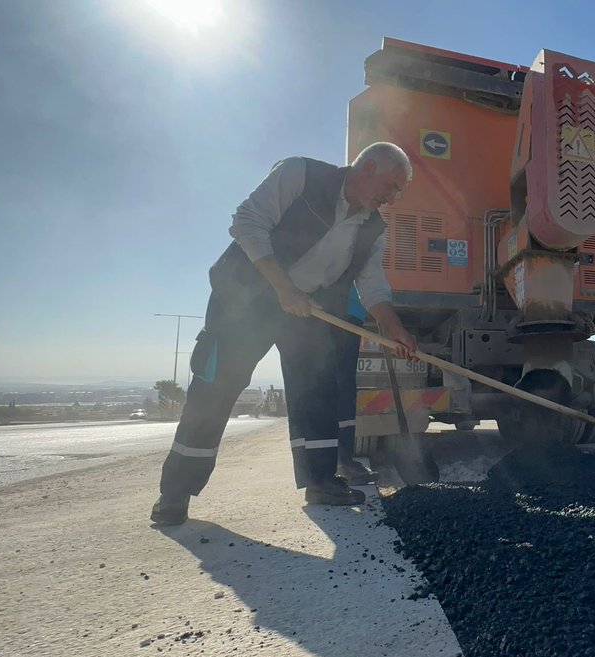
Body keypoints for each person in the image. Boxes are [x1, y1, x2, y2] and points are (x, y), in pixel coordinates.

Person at [150, 142, 417, 526]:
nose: (393, 198)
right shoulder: (300, 174)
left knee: (318, 391)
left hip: (306, 308)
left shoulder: (374, 228)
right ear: (369, 168)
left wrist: (396, 330)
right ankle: (175, 492)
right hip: (247, 300)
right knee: (216, 388)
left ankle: (320, 481)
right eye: (391, 186)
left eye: (398, 192)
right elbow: (247, 222)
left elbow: (373, 285)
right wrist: (283, 288)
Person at [334, 287, 378, 485]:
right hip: (339, 313)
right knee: (340, 389)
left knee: (345, 389)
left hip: (351, 314)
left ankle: (343, 461)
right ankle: (340, 463)